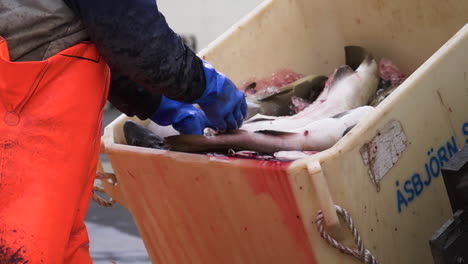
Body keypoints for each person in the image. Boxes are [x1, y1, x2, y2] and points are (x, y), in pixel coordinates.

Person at [0, 0, 247, 263]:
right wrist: (205, 84)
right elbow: (133, 38)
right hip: (19, 127)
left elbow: (97, 33)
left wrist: (158, 101)